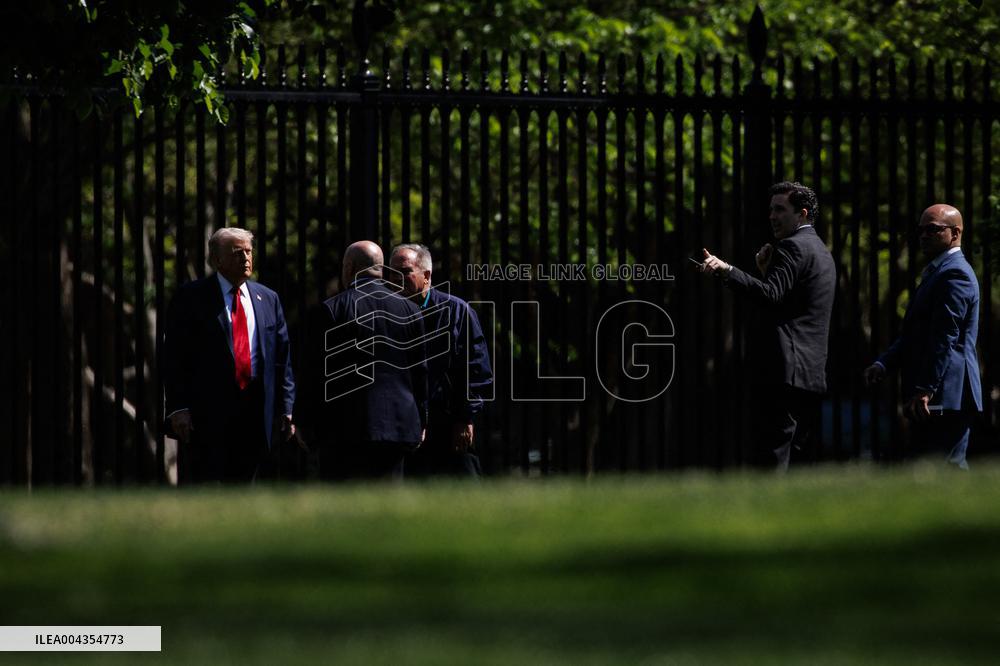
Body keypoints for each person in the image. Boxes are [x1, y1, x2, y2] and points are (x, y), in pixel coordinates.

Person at [698, 181, 836, 470]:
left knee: (773, 455)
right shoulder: (822, 252)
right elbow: (792, 302)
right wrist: (764, 272)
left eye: (780, 209)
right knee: (797, 458)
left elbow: (771, 295)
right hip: (811, 374)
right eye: (771, 210)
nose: (772, 216)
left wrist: (727, 271)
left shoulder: (790, 247)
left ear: (802, 213)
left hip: (785, 372)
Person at [163, 227, 296, 483]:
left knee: (247, 486)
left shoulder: (268, 298)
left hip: (256, 411)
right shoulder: (191, 297)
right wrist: (178, 407)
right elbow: (175, 356)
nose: (246, 258)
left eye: (249, 251)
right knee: (207, 486)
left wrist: (287, 406)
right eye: (237, 253)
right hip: (207, 414)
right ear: (217, 260)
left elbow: (282, 358)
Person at [863, 204, 981, 469]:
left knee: (949, 468)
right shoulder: (937, 272)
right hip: (934, 392)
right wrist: (884, 364)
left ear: (955, 233)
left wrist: (926, 388)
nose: (924, 236)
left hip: (947, 392)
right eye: (920, 230)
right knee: (929, 470)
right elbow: (915, 334)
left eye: (933, 229)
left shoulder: (956, 273)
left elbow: (945, 337)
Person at [310, 241, 428, 480]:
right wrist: (421, 420)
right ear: (381, 269)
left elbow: (315, 372)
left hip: (344, 429)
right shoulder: (410, 310)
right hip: (397, 426)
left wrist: (304, 421)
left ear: (349, 267)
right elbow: (420, 372)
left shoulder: (333, 309)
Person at [388, 244, 494, 478]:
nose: (395, 278)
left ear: (426, 276)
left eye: (404, 271)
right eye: (391, 272)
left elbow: (475, 368)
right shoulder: (387, 313)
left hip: (446, 420)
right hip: (404, 421)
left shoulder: (456, 311)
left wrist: (465, 417)